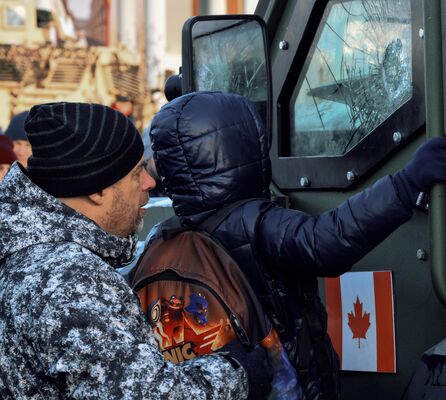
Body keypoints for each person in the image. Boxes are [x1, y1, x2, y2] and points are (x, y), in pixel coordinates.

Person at [148, 91, 446, 399]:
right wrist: (405, 185)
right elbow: (326, 240)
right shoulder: (255, 221)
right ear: (243, 148)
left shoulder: (164, 237)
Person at [0, 102, 271, 399]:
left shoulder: (26, 253)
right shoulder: (69, 278)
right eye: (136, 172)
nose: (149, 182)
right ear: (97, 189)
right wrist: (236, 372)